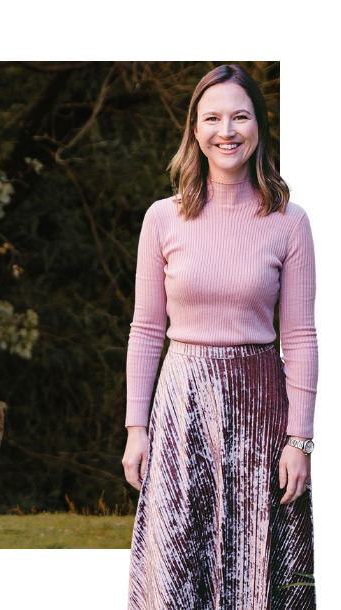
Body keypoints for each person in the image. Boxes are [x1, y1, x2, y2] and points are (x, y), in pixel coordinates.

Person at [122, 64, 316, 609]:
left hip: (261, 414)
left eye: (239, 116)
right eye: (212, 118)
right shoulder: (162, 219)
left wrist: (300, 440)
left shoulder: (289, 221)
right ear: (195, 130)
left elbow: (299, 337)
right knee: (176, 569)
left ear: (258, 126)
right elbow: (144, 330)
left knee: (257, 575)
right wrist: (136, 429)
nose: (226, 130)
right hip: (180, 413)